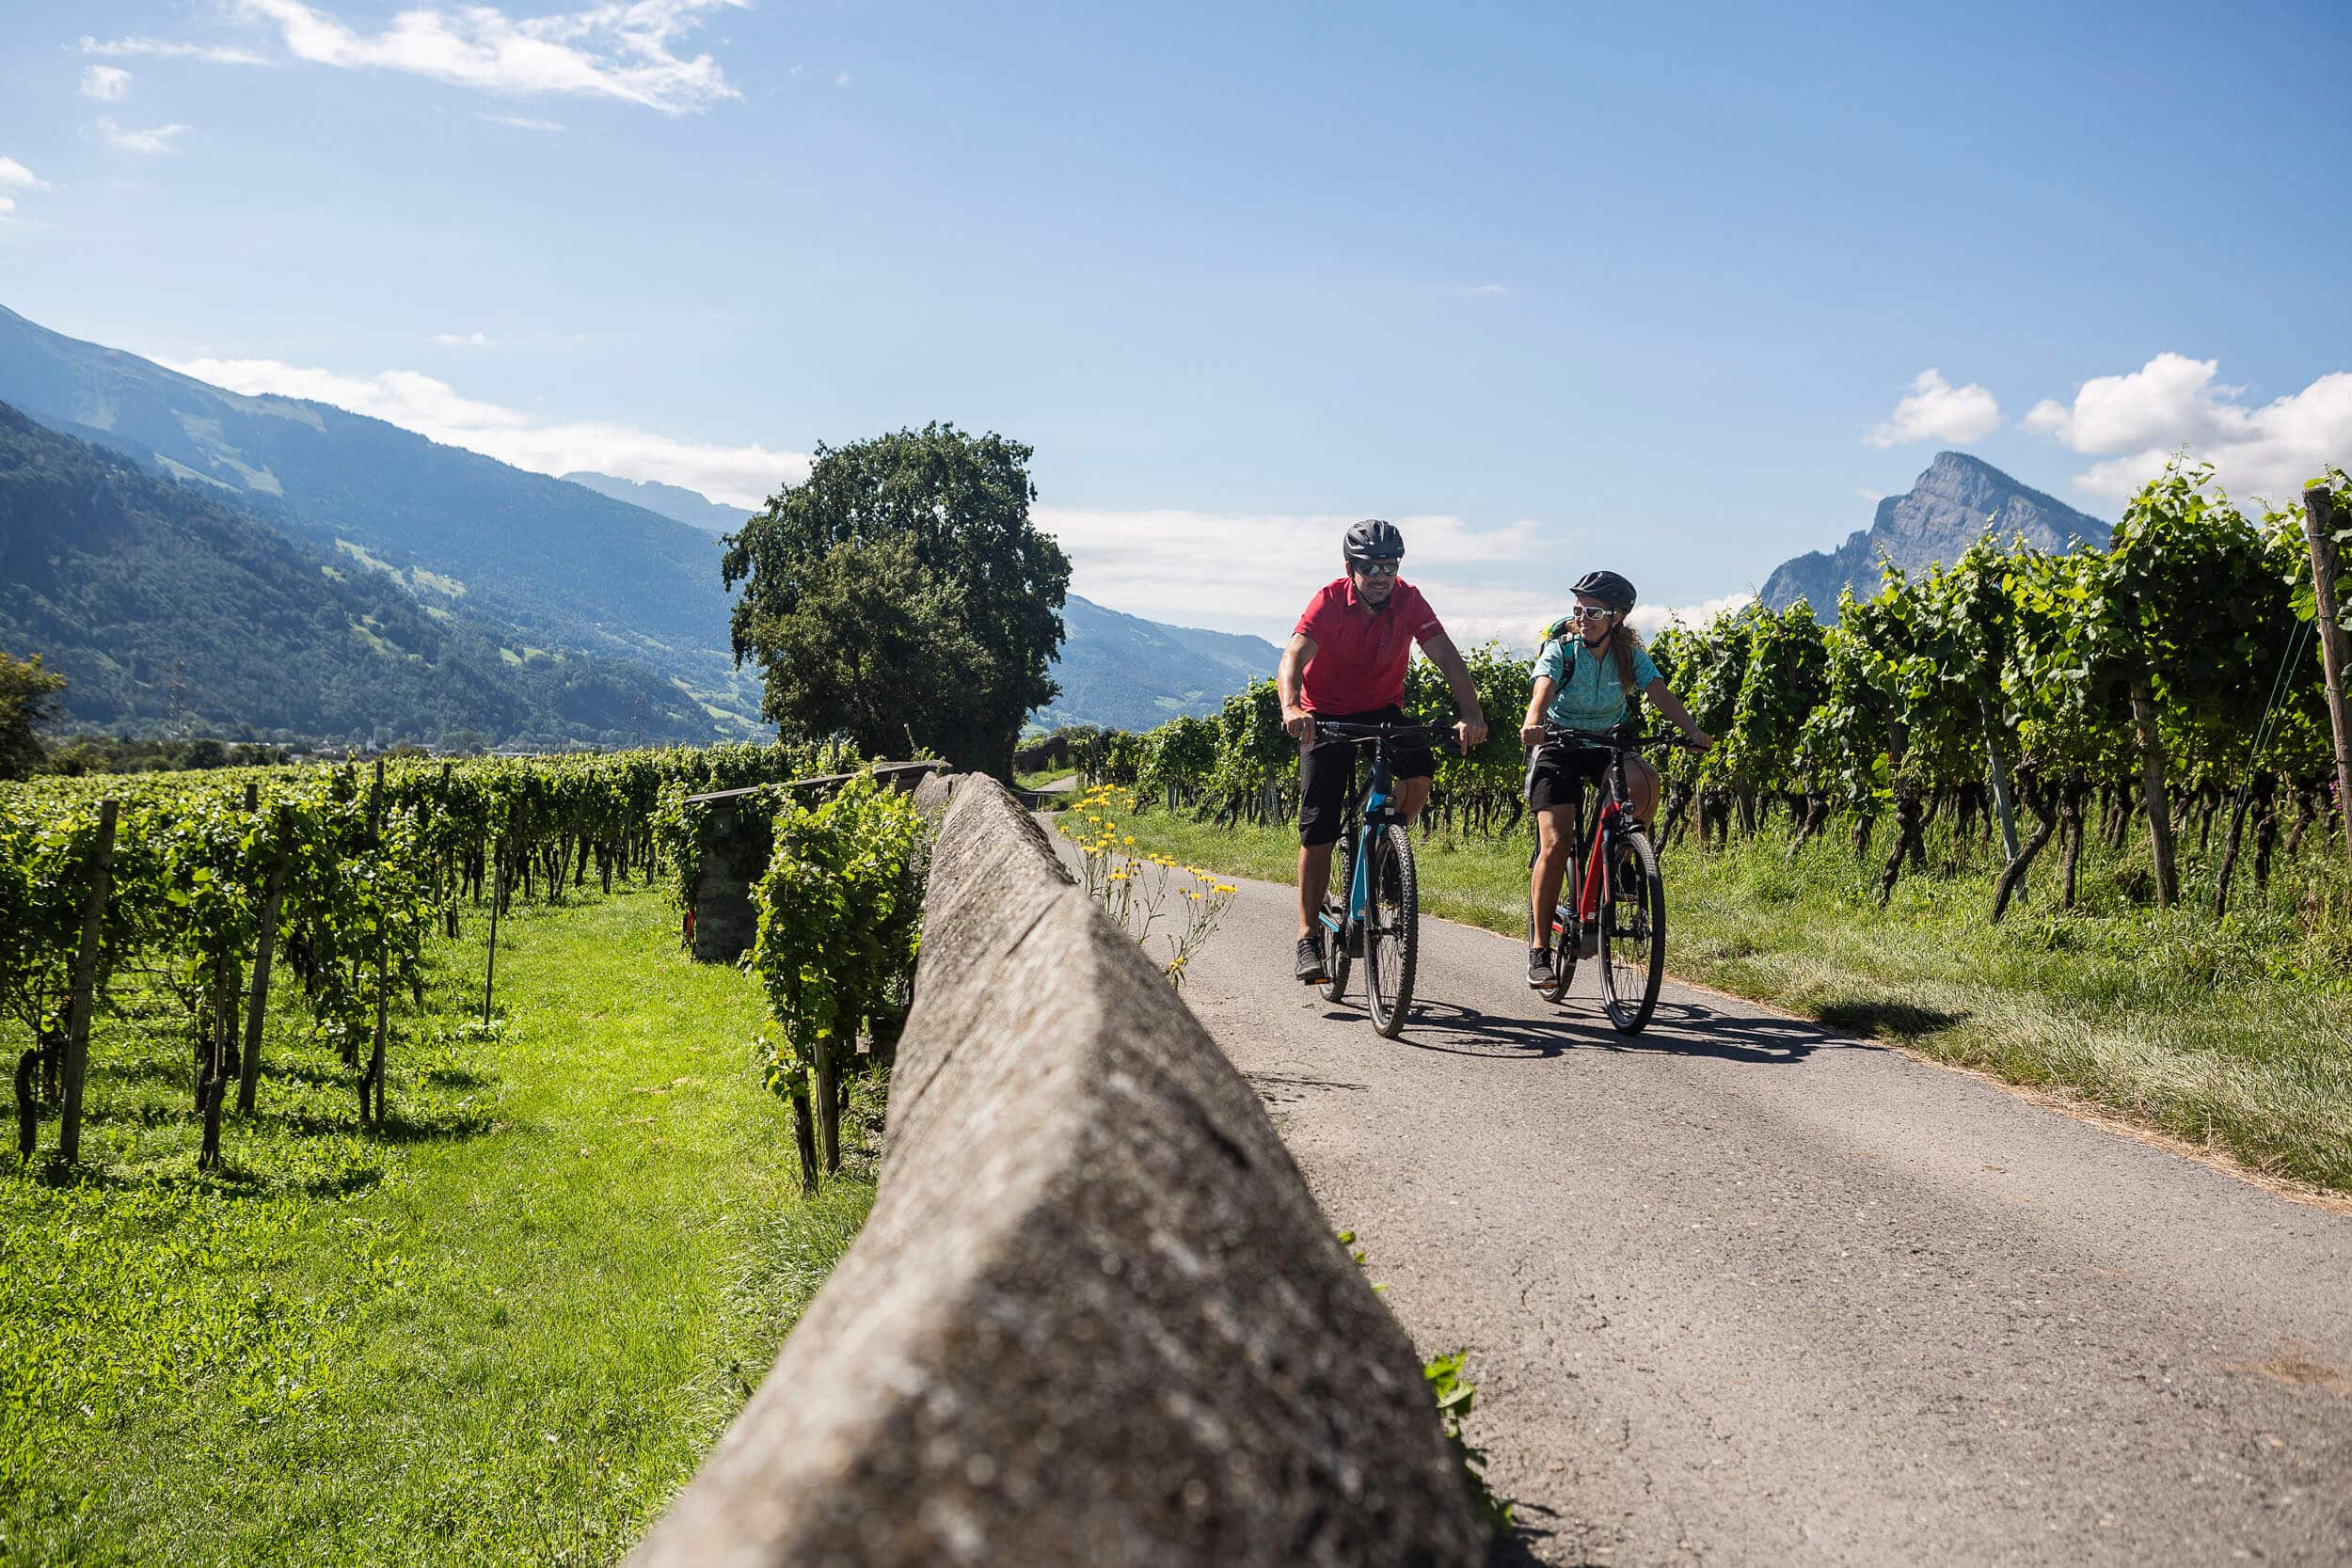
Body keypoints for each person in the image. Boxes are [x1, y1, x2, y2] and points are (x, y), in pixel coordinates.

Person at [1281, 519, 1488, 984]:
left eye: (1389, 565)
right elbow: (1294, 655)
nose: (1381, 575)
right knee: (1319, 827)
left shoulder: (1408, 600)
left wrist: (1471, 713)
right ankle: (1307, 936)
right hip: (1325, 715)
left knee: (1419, 773)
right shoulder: (1330, 600)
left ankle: (1384, 851)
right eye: (1371, 566)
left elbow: (1447, 656)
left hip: (1382, 710)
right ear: (1350, 567)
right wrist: (1293, 706)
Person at [1519, 569, 1711, 990]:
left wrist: (1692, 730)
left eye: (1593, 611)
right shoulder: (1562, 650)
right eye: (1578, 609)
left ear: (1616, 618)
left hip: (1606, 742)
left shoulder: (1629, 655)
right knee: (1556, 842)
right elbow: (1543, 691)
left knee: (1645, 781)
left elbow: (1660, 693)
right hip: (1558, 744)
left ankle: (1622, 855)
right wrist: (1534, 724)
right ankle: (1539, 950)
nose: (1582, 617)